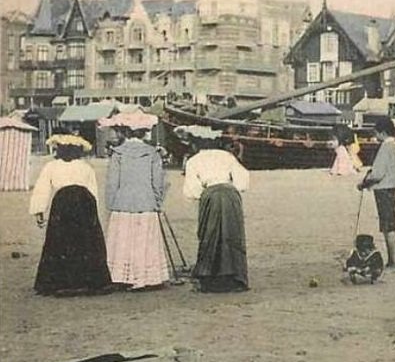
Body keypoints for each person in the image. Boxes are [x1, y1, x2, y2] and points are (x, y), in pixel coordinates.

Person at [29, 133, 127, 296]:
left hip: (63, 203)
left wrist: (39, 211)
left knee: (61, 240)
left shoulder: (52, 167)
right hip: (84, 203)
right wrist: (94, 212)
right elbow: (93, 190)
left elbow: (42, 189)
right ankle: (89, 281)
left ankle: (61, 282)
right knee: (86, 240)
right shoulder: (85, 167)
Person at [105, 121, 169, 290]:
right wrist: (157, 201)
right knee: (143, 240)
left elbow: (112, 183)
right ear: (144, 133)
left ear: (125, 133)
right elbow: (158, 182)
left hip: (122, 203)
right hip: (146, 202)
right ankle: (146, 278)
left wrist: (111, 204)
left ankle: (121, 276)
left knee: (124, 240)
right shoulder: (153, 153)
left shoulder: (117, 154)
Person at [183, 135, 250, 292]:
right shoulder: (227, 156)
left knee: (209, 233)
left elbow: (192, 189)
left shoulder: (194, 160)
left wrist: (205, 195)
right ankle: (235, 278)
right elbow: (243, 179)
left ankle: (209, 278)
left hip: (211, 194)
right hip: (231, 194)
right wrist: (232, 188)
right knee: (233, 234)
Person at [357, 117, 395, 269]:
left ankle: (392, 261)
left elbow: (378, 173)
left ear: (382, 133)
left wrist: (364, 182)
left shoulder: (385, 146)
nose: (375, 137)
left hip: (384, 188)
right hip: (393, 186)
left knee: (387, 225)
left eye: (376, 133)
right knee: (392, 224)